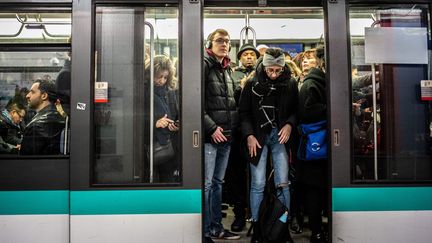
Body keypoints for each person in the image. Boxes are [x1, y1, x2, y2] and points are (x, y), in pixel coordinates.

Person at [239, 47, 297, 243]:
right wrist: (249, 135)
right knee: (258, 184)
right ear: (263, 67)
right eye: (270, 70)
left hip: (280, 134)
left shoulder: (290, 82)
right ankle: (257, 229)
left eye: (277, 70)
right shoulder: (252, 83)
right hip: (258, 135)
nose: (273, 74)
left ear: (283, 68)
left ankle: (282, 227)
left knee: (283, 183)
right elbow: (244, 113)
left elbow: (295, 110)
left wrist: (290, 124)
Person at [203, 28, 240, 242]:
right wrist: (211, 128)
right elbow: (195, 100)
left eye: (227, 41)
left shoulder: (226, 69)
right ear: (210, 43)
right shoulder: (205, 64)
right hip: (211, 136)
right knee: (207, 184)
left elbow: (229, 104)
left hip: (226, 136)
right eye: (219, 40)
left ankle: (216, 227)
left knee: (218, 183)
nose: (224, 44)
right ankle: (206, 230)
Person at [225, 42, 260, 232]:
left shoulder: (262, 74)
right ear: (239, 57)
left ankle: (259, 215)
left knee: (259, 175)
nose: (248, 57)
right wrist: (242, 87)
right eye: (245, 54)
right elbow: (231, 101)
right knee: (236, 175)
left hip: (259, 132)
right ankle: (239, 213)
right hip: (238, 132)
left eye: (252, 55)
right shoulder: (232, 75)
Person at [297, 46, 328, 243]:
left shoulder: (322, 81)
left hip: (321, 143)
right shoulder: (311, 84)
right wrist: (334, 108)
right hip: (314, 144)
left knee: (320, 189)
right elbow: (307, 112)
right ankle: (316, 231)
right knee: (314, 190)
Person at [145, 55, 179, 182]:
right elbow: (134, 121)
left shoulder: (170, 91)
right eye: (159, 76)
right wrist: (155, 123)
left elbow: (175, 113)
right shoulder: (143, 91)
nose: (162, 81)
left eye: (165, 77)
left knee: (168, 180)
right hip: (149, 144)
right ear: (150, 74)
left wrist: (176, 125)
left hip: (168, 145)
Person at [20, 79, 65, 155]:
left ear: (44, 96)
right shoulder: (61, 119)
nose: (27, 95)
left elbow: (25, 160)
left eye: (32, 92)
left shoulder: (35, 126)